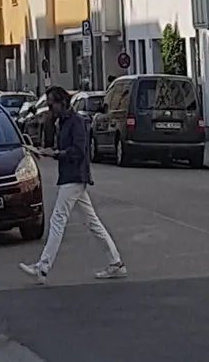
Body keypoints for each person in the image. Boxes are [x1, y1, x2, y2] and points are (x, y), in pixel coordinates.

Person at [20, 86, 126, 284]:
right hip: (72, 176)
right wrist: (49, 150)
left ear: (62, 102)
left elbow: (78, 151)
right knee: (92, 222)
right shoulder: (64, 122)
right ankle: (115, 262)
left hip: (75, 177)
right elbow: (66, 148)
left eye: (52, 104)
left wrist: (57, 154)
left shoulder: (76, 122)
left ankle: (43, 267)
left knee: (58, 220)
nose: (50, 109)